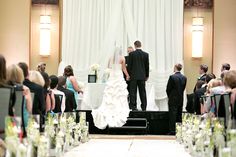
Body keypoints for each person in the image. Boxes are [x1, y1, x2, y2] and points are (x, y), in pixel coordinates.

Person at [92, 47, 130, 129]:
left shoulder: (110, 58)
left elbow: (108, 67)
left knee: (110, 91)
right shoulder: (122, 58)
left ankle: (109, 106)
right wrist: (127, 75)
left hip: (112, 75)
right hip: (119, 75)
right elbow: (123, 68)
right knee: (119, 91)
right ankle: (119, 106)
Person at [128, 40, 149, 111]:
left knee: (133, 92)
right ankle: (144, 107)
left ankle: (134, 107)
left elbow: (129, 66)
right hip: (142, 76)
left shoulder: (131, 54)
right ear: (140, 45)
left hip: (133, 76)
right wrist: (147, 75)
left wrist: (129, 75)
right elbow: (147, 66)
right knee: (142, 92)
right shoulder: (146, 54)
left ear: (135, 45)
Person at [166, 63, 187, 135]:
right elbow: (183, 88)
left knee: (172, 115)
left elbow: (168, 89)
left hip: (173, 98)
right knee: (179, 115)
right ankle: (179, 131)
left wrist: (170, 96)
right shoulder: (184, 77)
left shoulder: (172, 77)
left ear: (175, 68)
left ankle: (172, 131)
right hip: (180, 98)